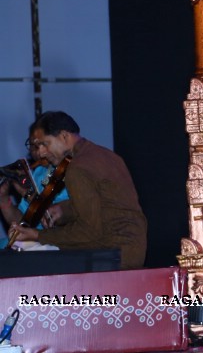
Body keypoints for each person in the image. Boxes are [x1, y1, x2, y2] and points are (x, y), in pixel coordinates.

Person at [7, 111, 147, 269]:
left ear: (64, 136)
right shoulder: (107, 155)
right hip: (133, 250)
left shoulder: (77, 168)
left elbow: (88, 232)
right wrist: (63, 210)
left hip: (110, 255)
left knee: (26, 260)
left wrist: (37, 235)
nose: (41, 153)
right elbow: (106, 206)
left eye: (44, 144)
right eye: (37, 146)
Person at [0, 128, 68, 232]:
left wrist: (26, 193)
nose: (38, 153)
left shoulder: (69, 171)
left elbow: (53, 221)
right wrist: (4, 199)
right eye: (33, 146)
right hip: (36, 242)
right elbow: (23, 222)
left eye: (42, 145)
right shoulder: (39, 171)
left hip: (59, 242)